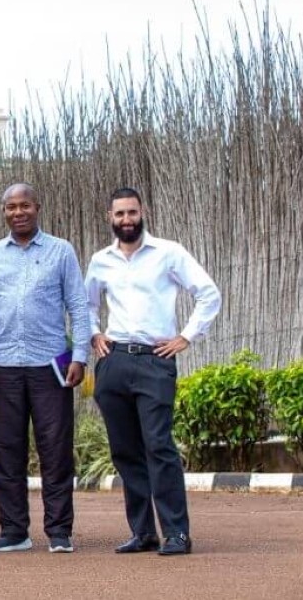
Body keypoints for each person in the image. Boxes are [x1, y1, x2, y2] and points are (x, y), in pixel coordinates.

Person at [85, 187, 221, 556]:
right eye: (119, 214)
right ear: (110, 218)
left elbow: (208, 293)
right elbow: (85, 305)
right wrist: (95, 333)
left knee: (159, 446)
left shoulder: (169, 253)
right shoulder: (101, 261)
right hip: (113, 361)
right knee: (125, 451)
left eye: (132, 212)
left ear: (142, 212)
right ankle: (143, 532)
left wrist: (186, 337)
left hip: (154, 360)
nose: (126, 220)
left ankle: (176, 532)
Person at [0, 183, 91, 554]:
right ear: (4, 212)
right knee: (5, 451)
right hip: (3, 366)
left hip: (52, 364)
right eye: (11, 207)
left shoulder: (61, 251)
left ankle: (59, 531)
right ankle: (13, 530)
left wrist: (81, 355)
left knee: (55, 449)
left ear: (37, 208)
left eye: (24, 205)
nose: (18, 212)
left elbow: (79, 305)